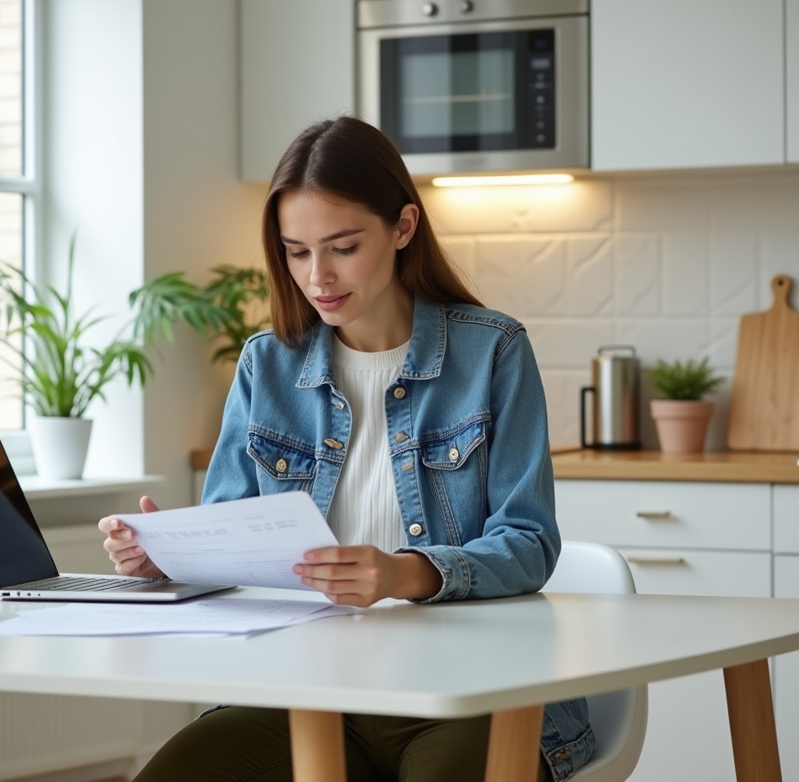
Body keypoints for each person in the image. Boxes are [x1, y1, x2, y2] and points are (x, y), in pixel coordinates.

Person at [99, 116, 594, 781]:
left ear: (403, 228)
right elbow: (231, 532)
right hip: (299, 690)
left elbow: (529, 542)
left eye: (342, 246)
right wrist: (165, 555)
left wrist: (402, 573)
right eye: (296, 251)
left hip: (464, 692)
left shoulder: (492, 351)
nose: (318, 276)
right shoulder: (265, 365)